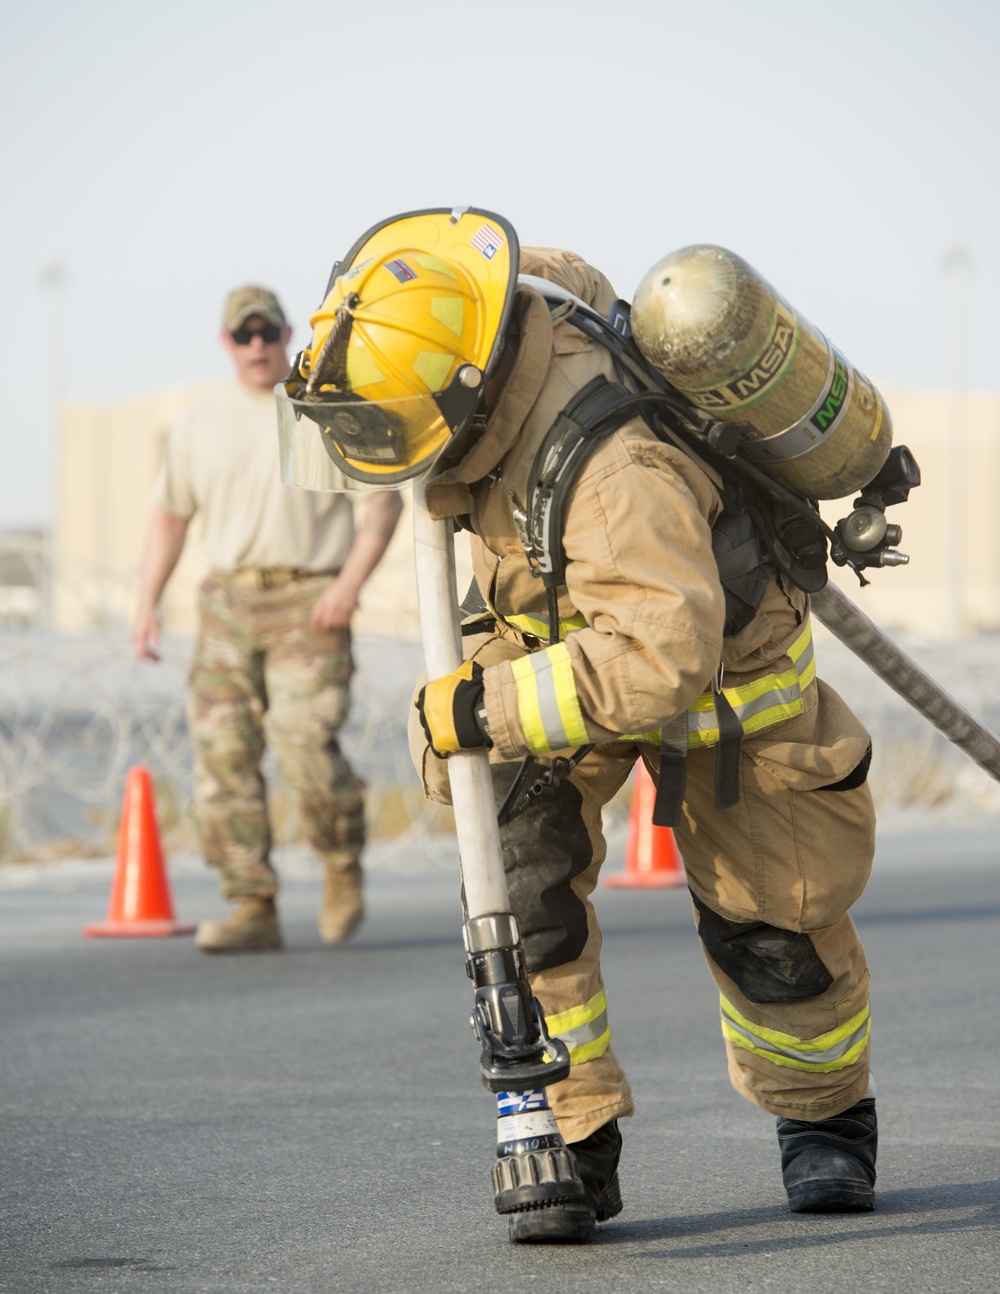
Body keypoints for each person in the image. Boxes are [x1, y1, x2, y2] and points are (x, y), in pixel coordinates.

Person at [279, 210, 879, 1241]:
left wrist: (484, 704)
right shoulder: (485, 331)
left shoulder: (617, 481)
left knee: (771, 925)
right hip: (561, 634)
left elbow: (661, 658)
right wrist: (489, 715)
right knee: (516, 877)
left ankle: (823, 1117)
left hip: (719, 677)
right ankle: (566, 1131)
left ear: (460, 403)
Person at [131, 284, 403, 953]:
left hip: (308, 600)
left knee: (303, 741)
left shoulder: (321, 409)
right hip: (228, 603)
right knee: (224, 755)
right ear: (227, 343)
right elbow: (170, 517)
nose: (257, 346)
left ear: (288, 335)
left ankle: (340, 862)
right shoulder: (200, 423)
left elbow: (381, 506)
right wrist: (147, 603)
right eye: (243, 335)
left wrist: (348, 586)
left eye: (268, 332)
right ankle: (251, 902)